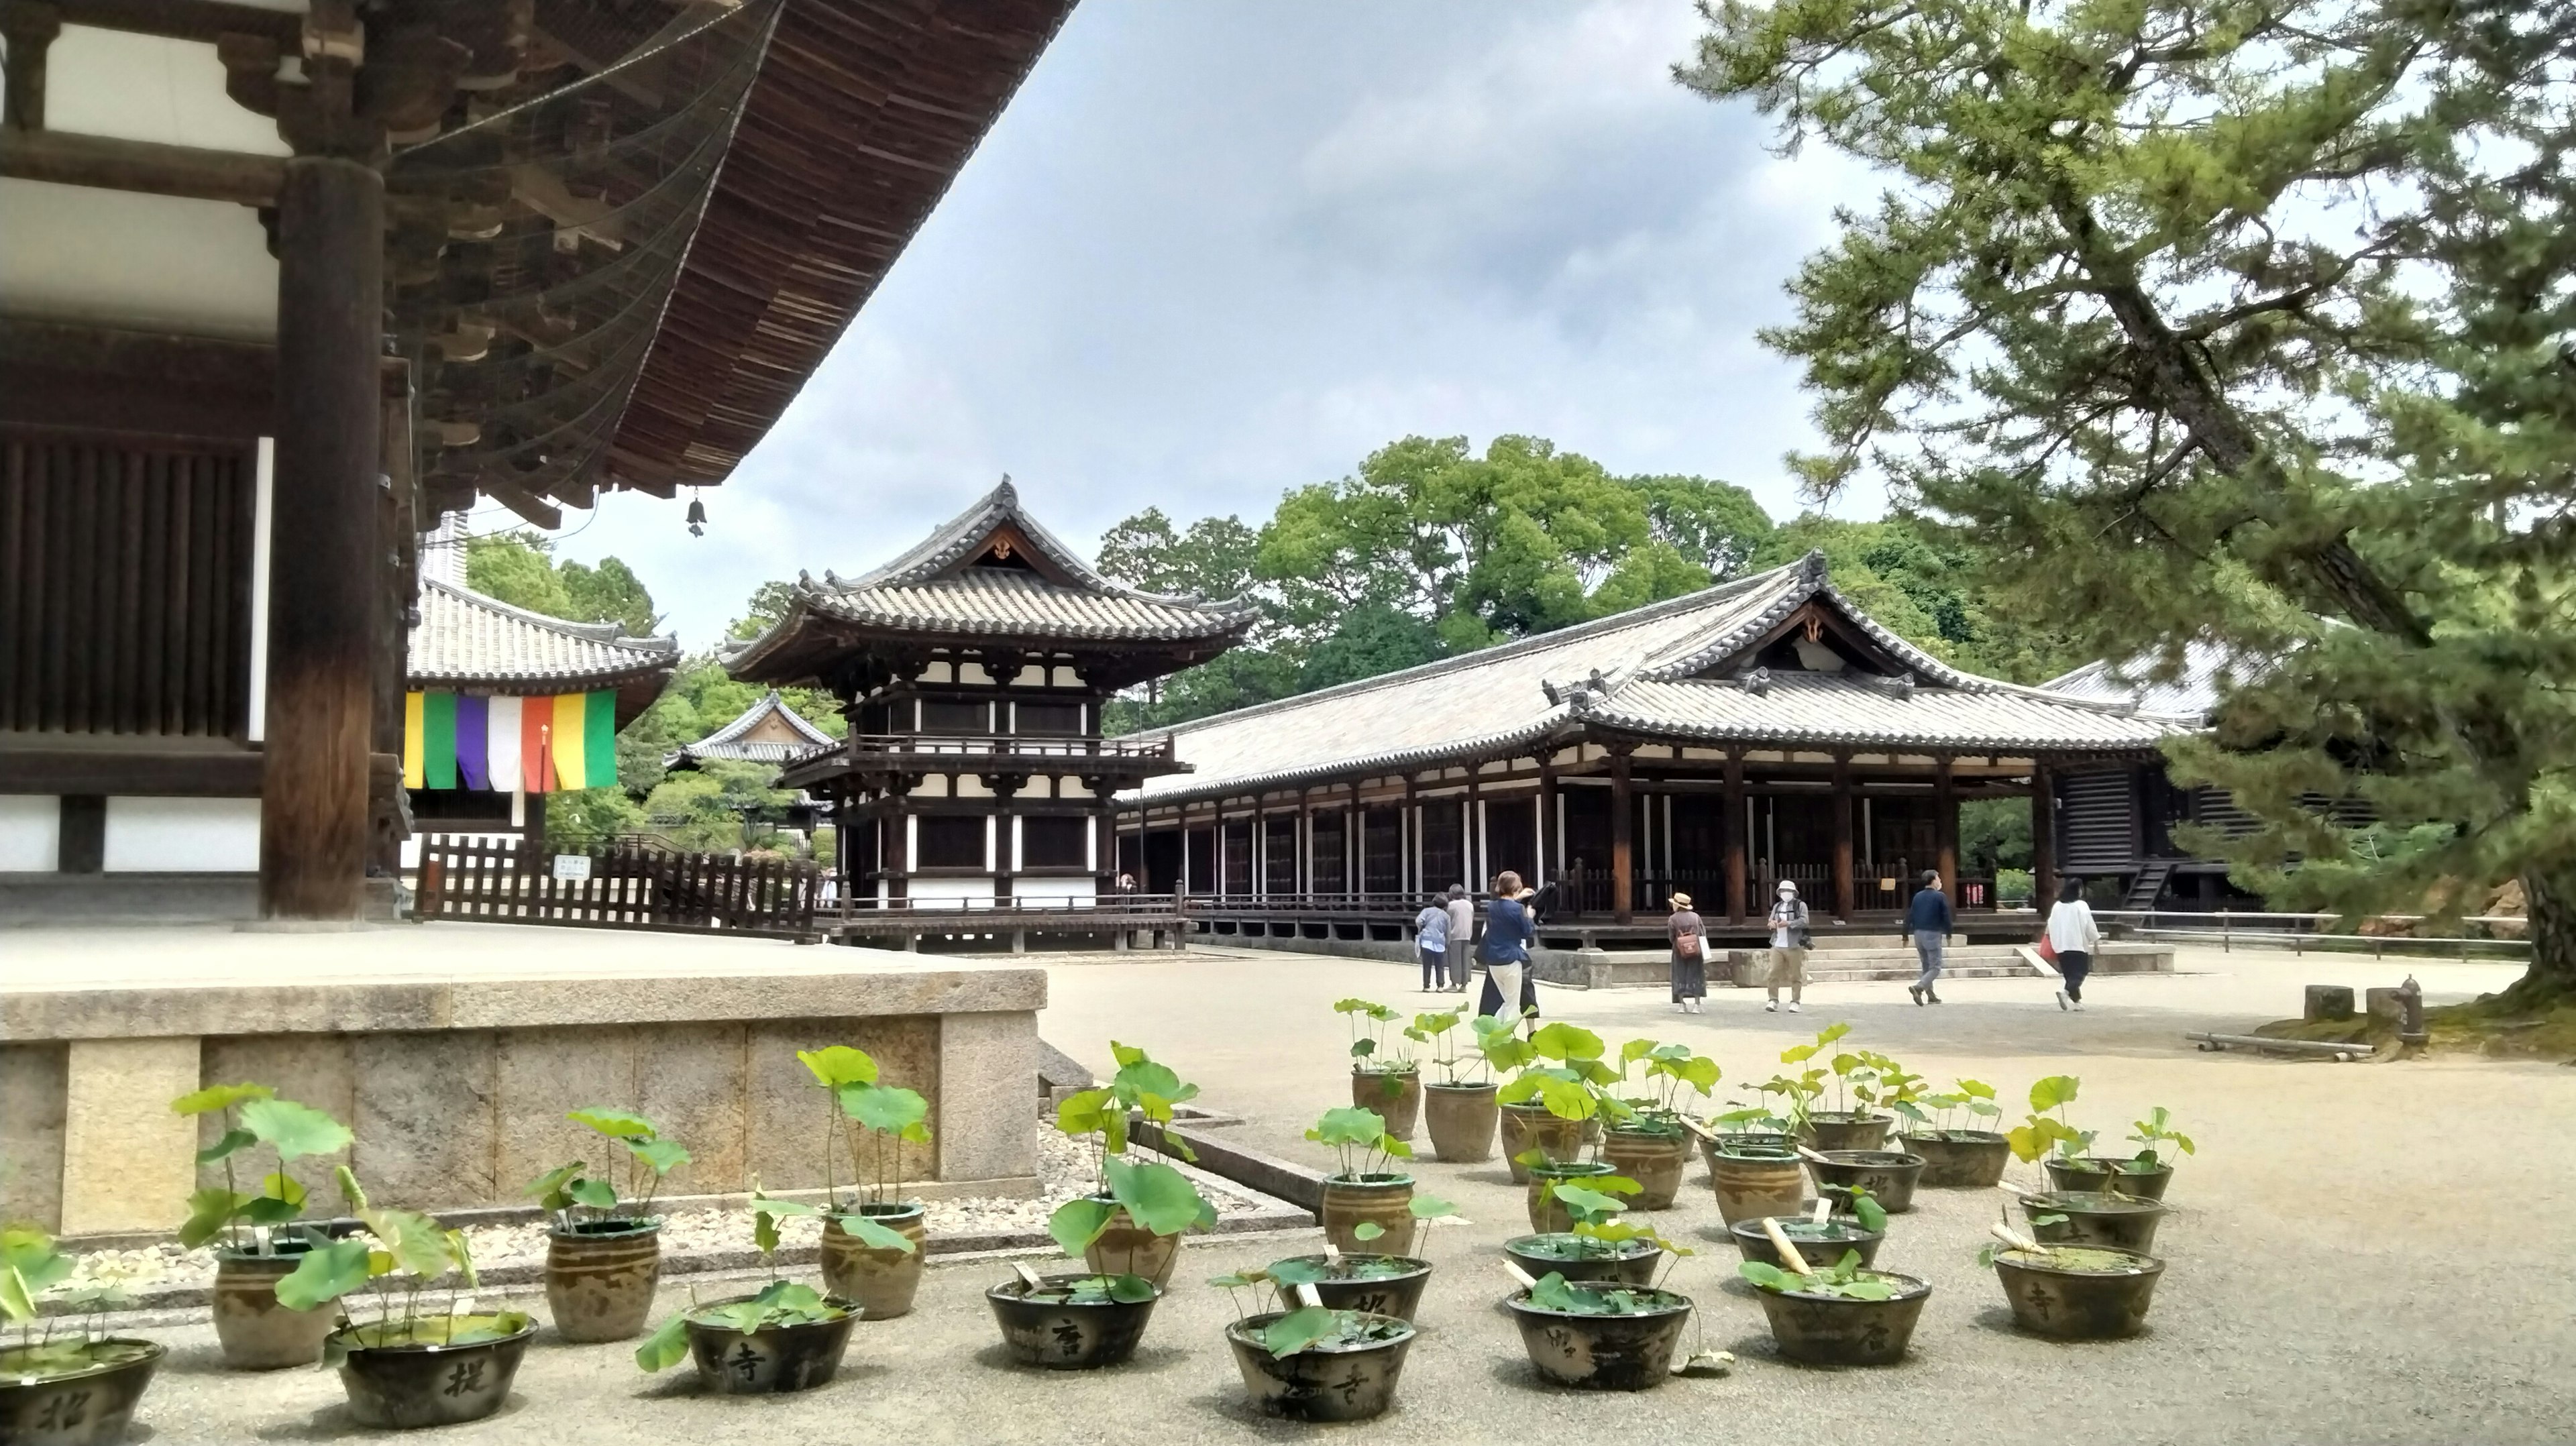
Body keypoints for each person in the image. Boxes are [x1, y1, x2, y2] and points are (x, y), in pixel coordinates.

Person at [1477, 870, 1536, 1021]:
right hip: (1511, 958)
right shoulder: (1518, 909)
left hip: (1493, 961)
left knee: (1504, 1001)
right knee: (1512, 1005)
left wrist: (1518, 899)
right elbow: (1528, 932)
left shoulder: (1491, 907)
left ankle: (1494, 1035)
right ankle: (1506, 1040)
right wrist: (1529, 916)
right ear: (1516, 889)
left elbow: (1504, 910)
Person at [2047, 877, 2102, 1010]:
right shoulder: (2081, 905)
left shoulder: (2057, 906)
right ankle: (2065, 993)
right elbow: (2089, 924)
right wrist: (2095, 940)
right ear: (2078, 890)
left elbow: (2051, 924)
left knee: (2070, 974)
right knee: (2081, 972)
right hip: (2077, 944)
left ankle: (2077, 1002)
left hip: (2061, 945)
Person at [1905, 869, 1953, 1005]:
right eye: (1938, 879)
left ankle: (1931, 995)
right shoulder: (1940, 896)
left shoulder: (1917, 896)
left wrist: (1905, 934)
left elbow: (1910, 915)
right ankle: (1919, 987)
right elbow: (1946, 916)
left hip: (1918, 934)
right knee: (1936, 967)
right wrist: (1949, 932)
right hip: (1932, 933)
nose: (1940, 881)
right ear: (1933, 881)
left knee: (1926, 965)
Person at [1765, 880, 1810, 1013]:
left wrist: (1789, 923)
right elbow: (1770, 921)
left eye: (1789, 891)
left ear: (1793, 893)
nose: (1786, 893)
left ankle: (1795, 1002)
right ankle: (1773, 1000)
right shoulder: (1777, 906)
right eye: (1783, 891)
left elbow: (1805, 921)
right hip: (1777, 944)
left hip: (1794, 945)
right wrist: (1771, 924)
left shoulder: (1800, 905)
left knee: (1795, 975)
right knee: (1773, 973)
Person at [1667, 892, 1707, 1013]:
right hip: (1695, 948)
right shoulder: (1696, 917)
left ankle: (1681, 1005)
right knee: (1696, 973)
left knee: (1679, 974)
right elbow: (1702, 933)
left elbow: (1671, 936)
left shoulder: (1673, 919)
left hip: (1679, 950)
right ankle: (1697, 1005)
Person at [1413, 893, 1451, 991]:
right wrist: (1447, 943)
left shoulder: (1426, 911)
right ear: (1445, 905)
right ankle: (1440, 986)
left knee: (1427, 965)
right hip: (1440, 943)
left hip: (1427, 941)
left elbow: (1418, 921)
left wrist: (1422, 927)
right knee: (1440, 965)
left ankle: (1426, 986)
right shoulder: (1446, 916)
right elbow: (1448, 932)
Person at [1444, 885, 1474, 994]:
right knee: (1465, 960)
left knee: (1455, 960)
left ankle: (1454, 984)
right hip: (1467, 934)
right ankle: (1464, 985)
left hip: (1455, 934)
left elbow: (1448, 919)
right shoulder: (1470, 905)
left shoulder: (1451, 905)